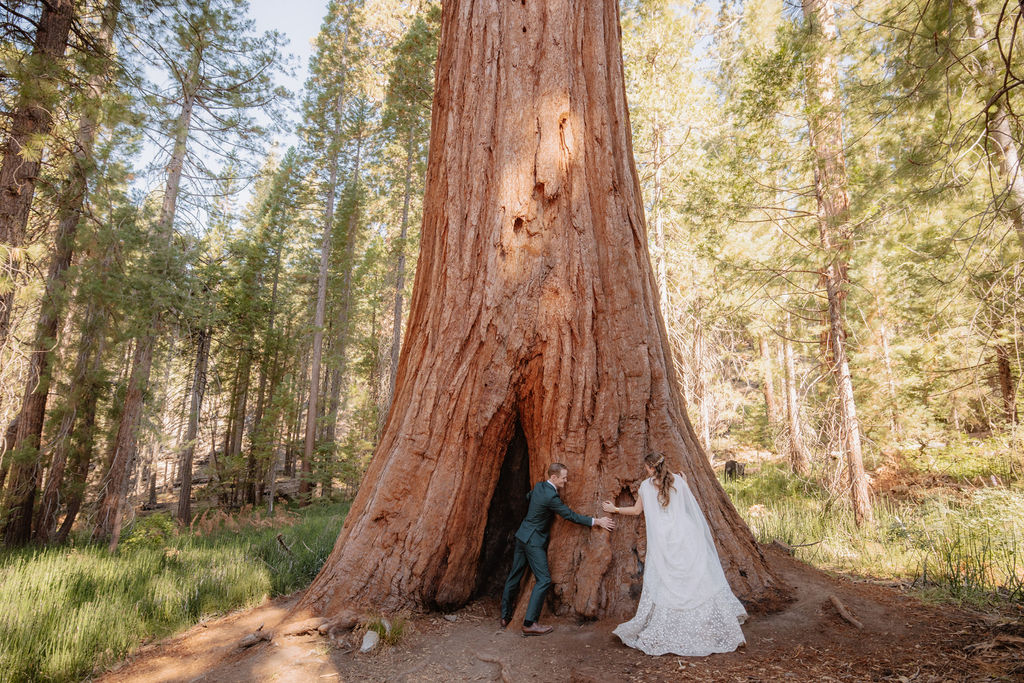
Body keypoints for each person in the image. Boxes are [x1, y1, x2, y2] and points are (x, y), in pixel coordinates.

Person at [603, 452, 747, 656]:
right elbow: (690, 507)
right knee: (694, 576)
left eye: (647, 468)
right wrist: (686, 484)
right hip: (686, 534)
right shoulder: (678, 480)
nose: (646, 471)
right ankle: (702, 621)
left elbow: (636, 511)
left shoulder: (645, 486)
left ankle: (678, 622)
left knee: (669, 578)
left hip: (663, 539)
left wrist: (615, 509)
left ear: (650, 468)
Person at [500, 462, 615, 636]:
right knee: (544, 579)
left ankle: (505, 616)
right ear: (553, 477)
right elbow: (569, 515)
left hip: (522, 535)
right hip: (534, 540)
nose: (566, 481)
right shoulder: (551, 497)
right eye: (563, 478)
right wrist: (596, 521)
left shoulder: (539, 486)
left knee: (514, 575)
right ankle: (529, 623)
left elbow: (528, 497)